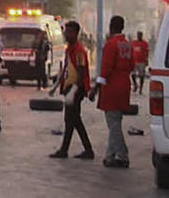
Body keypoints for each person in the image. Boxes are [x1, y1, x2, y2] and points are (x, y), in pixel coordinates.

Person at [91, 15, 133, 169]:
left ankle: (123, 155)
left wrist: (95, 88)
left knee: (113, 124)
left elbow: (106, 69)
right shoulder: (127, 44)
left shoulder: (111, 44)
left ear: (111, 26)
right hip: (124, 85)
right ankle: (109, 156)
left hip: (112, 87)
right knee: (115, 122)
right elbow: (131, 66)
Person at [49, 20, 94, 160]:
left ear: (75, 33)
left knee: (73, 120)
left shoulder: (79, 50)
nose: (66, 35)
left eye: (69, 32)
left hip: (77, 88)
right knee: (71, 120)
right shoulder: (69, 49)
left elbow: (81, 72)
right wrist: (56, 85)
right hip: (70, 88)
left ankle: (85, 150)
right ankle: (68, 149)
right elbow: (66, 68)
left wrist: (74, 90)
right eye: (65, 32)